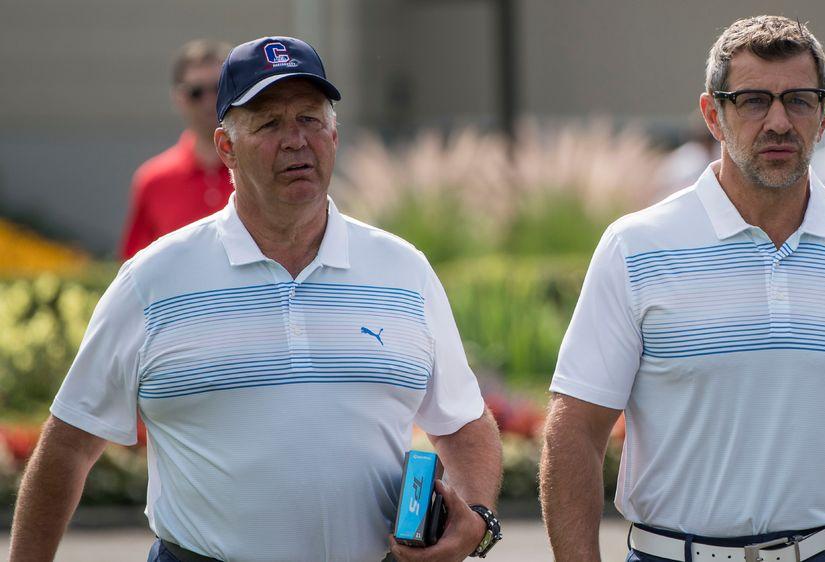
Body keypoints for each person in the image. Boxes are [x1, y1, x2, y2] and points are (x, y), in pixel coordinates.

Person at [10, 36, 503, 562]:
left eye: (311, 119)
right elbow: (67, 447)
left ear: (334, 134)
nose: (296, 140)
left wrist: (474, 515)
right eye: (269, 123)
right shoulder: (151, 280)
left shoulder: (405, 271)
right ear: (225, 146)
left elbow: (465, 424)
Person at [541, 16, 825, 562]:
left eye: (799, 100)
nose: (779, 122)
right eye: (752, 101)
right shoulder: (636, 249)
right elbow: (574, 430)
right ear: (712, 116)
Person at [119, 39, 234, 260]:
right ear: (178, 98)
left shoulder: (260, 168)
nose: (210, 101)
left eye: (219, 88)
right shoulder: (153, 180)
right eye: (196, 92)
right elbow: (134, 267)